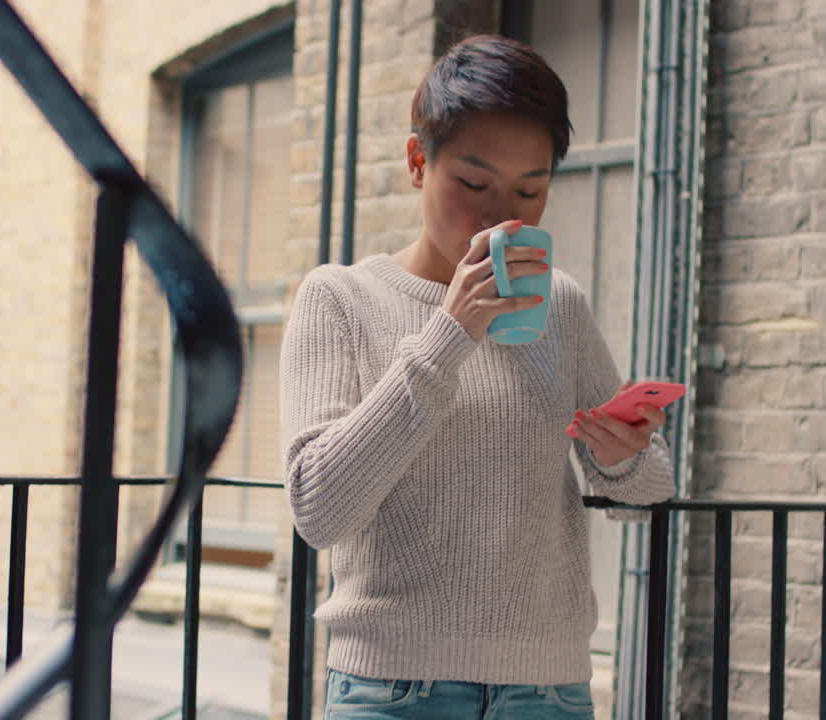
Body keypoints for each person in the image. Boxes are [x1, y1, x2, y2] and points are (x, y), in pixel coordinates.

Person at [279, 34, 676, 719]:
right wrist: (450, 334)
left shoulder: (561, 305)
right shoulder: (339, 298)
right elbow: (318, 508)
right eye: (473, 183)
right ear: (416, 162)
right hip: (393, 692)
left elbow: (650, 489)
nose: (500, 217)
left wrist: (624, 457)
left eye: (531, 189)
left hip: (549, 692)